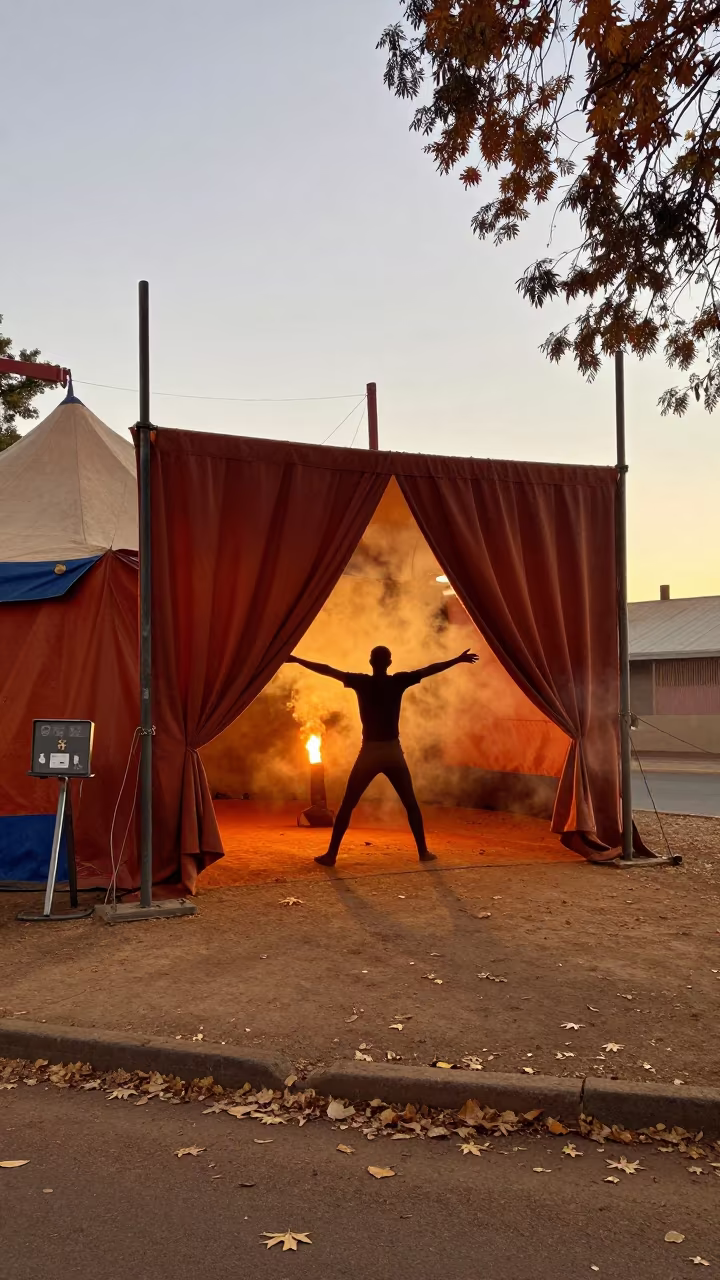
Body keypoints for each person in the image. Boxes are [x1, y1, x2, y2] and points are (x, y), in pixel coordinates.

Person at [286, 645, 478, 865]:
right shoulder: (397, 681)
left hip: (370, 751)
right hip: (392, 751)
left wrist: (297, 659)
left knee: (348, 804)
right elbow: (430, 669)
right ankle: (423, 852)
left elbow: (327, 670)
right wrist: (457, 659)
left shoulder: (362, 682)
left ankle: (331, 855)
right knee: (410, 804)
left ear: (370, 662)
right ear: (389, 663)